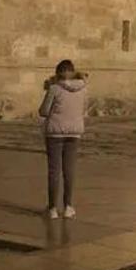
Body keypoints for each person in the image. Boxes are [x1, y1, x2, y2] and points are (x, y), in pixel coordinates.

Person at [38, 59, 87, 220]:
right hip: (74, 133)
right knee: (69, 170)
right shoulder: (83, 89)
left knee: (54, 171)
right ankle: (68, 207)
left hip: (55, 133)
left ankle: (52, 208)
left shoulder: (54, 88)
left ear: (58, 73)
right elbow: (83, 109)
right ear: (73, 72)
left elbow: (44, 111)